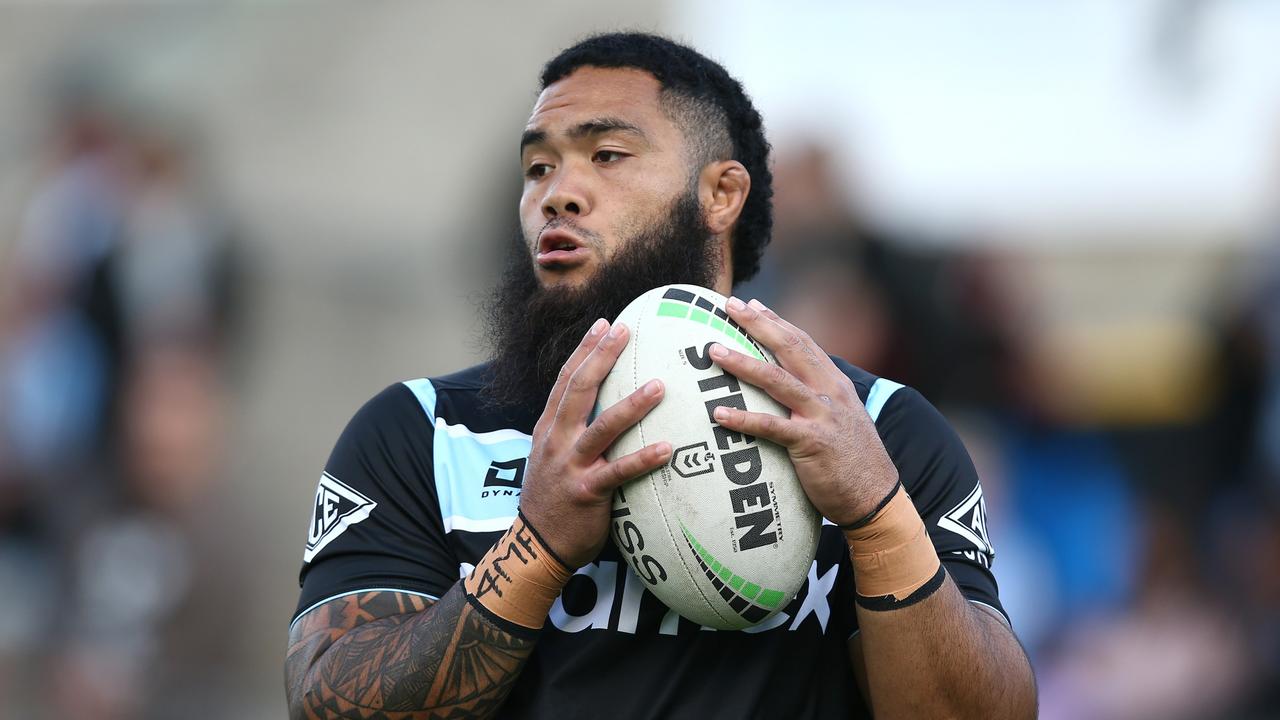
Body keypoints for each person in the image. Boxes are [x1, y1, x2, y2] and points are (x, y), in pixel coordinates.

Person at [284, 32, 1036, 719]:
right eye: (538, 167)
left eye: (606, 155)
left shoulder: (879, 429)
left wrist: (876, 517)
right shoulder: (419, 432)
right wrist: (536, 552)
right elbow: (329, 704)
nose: (557, 193)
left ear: (721, 194)